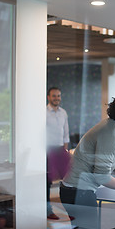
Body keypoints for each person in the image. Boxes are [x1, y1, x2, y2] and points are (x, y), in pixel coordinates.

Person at [46, 87, 71, 220]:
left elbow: (65, 132)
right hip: (47, 150)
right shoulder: (43, 112)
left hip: (60, 149)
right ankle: (48, 211)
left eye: (59, 96)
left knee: (65, 180)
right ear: (48, 97)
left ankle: (66, 210)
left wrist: (65, 149)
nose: (57, 98)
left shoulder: (63, 113)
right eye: (54, 96)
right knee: (48, 182)